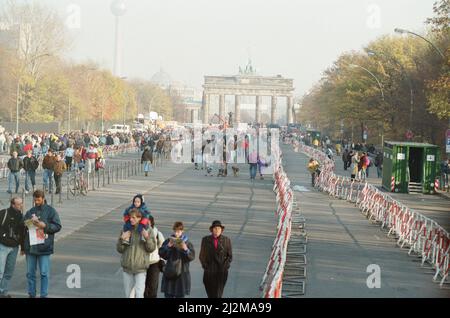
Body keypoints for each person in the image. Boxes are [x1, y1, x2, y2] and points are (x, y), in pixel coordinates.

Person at [23, 190, 62, 298]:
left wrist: (45, 226)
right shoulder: (31, 211)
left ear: (43, 198)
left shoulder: (51, 211)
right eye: (35, 200)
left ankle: (43, 295)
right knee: (30, 273)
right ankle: (31, 294)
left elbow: (58, 226)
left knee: (44, 273)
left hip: (44, 246)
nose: (36, 202)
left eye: (38, 200)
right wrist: (28, 223)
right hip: (31, 246)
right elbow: (23, 223)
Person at [117, 208, 156, 298]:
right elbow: (119, 249)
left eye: (133, 218)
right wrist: (122, 239)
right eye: (130, 217)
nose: (131, 219)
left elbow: (151, 248)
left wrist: (147, 238)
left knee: (139, 294)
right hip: (127, 267)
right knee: (128, 295)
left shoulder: (148, 230)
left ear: (140, 218)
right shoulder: (125, 229)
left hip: (140, 267)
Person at [159, 221, 195, 298]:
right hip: (170, 272)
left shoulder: (187, 243)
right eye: (175, 231)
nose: (176, 234)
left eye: (178, 231)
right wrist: (168, 246)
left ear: (182, 231)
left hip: (181, 273)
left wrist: (185, 249)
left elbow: (191, 257)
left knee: (180, 295)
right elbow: (161, 254)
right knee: (168, 294)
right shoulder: (168, 241)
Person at [199, 220, 232, 298]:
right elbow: (201, 255)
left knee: (218, 295)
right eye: (215, 228)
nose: (217, 230)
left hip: (221, 273)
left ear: (221, 230)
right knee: (210, 295)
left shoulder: (226, 240)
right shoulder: (205, 240)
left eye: (219, 228)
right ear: (212, 230)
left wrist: (225, 267)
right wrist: (205, 266)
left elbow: (229, 256)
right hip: (209, 273)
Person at [0, 197, 25, 298]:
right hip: (2, 246)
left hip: (14, 247)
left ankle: (3, 292)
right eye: (19, 204)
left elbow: (23, 233)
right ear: (13, 205)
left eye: (21, 204)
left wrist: (22, 247)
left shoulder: (21, 216)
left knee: (9, 271)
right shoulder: (3, 213)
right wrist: (3, 236)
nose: (21, 206)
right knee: (0, 271)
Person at [144, 216, 165, 298]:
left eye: (148, 223)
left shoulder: (158, 234)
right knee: (143, 289)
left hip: (154, 263)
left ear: (152, 223)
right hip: (142, 264)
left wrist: (162, 260)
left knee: (153, 288)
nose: (147, 225)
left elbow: (163, 248)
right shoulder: (140, 233)